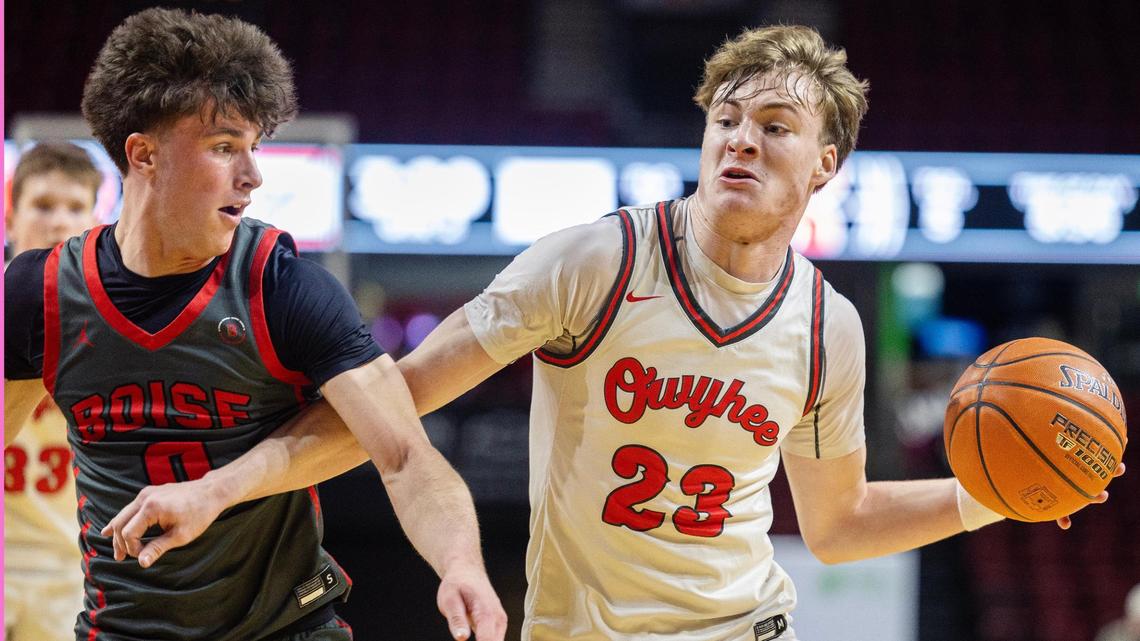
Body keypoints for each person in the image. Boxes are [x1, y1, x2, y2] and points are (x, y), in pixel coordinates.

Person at [99, 24, 1123, 640]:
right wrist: (218, 485)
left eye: (774, 124)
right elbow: (393, 401)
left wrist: (992, 495)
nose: (740, 139)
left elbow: (839, 520)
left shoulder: (828, 325)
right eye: (726, 117)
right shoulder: (596, 260)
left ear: (825, 165)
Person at [3, 8, 505, 641]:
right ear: (143, 154)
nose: (254, 175)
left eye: (254, 147)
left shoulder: (282, 285)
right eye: (224, 147)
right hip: (122, 629)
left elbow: (406, 455)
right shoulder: (38, 293)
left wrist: (460, 564)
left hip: (284, 627)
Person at [5, 142, 103, 641]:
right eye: (43, 206)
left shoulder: (109, 326)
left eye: (74, 208)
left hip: (69, 570)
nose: (59, 223)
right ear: (10, 216)